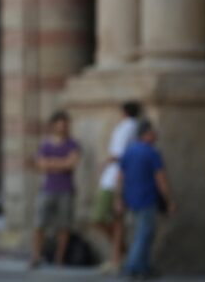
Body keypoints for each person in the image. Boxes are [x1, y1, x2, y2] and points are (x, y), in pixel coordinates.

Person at [115, 120, 176, 278]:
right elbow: (160, 178)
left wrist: (120, 198)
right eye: (153, 132)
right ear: (146, 134)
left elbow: (120, 177)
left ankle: (144, 267)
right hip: (147, 199)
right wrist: (169, 201)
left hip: (131, 199)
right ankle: (132, 265)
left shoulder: (129, 152)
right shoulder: (152, 153)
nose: (156, 135)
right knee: (144, 234)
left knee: (142, 233)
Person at [93, 101, 142, 273]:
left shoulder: (127, 127)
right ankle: (120, 255)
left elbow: (119, 154)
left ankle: (120, 255)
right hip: (116, 177)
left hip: (115, 179)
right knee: (116, 220)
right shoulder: (132, 127)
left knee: (101, 217)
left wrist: (105, 163)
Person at [31, 111, 81, 267]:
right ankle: (36, 256)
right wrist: (61, 163)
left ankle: (60, 258)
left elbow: (71, 164)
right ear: (54, 126)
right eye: (60, 124)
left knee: (64, 226)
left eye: (65, 124)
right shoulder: (45, 144)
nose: (63, 127)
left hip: (66, 190)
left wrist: (51, 163)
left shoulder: (73, 144)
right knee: (39, 223)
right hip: (47, 189)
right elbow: (40, 165)